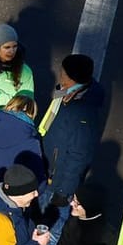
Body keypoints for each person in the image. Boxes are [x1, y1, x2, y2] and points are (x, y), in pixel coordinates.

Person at [40, 54, 103, 203]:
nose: (60, 75)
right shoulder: (69, 93)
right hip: (49, 168)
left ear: (71, 78)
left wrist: (63, 192)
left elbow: (79, 156)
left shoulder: (82, 115)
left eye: (63, 72)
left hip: (56, 181)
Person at [0, 22, 36, 107]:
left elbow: (26, 105)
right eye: (7, 47)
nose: (12, 51)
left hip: (5, 119)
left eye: (15, 46)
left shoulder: (25, 71)